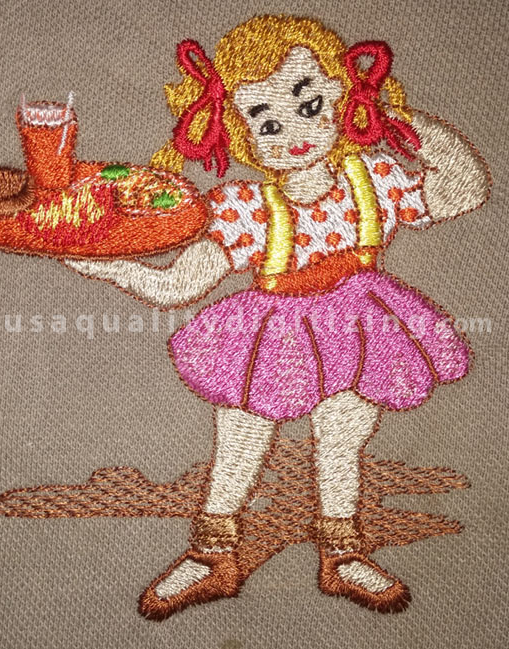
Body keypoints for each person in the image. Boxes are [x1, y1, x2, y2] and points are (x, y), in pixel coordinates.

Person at [66, 15, 490, 619]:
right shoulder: (246, 207)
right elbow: (177, 285)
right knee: (242, 435)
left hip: (360, 327)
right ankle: (213, 553)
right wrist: (100, 262)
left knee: (342, 436)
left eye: (309, 105)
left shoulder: (372, 180)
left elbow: (464, 189)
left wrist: (401, 120)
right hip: (270, 334)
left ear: (343, 96)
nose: (293, 133)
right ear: (239, 134)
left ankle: (342, 553)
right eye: (266, 122)